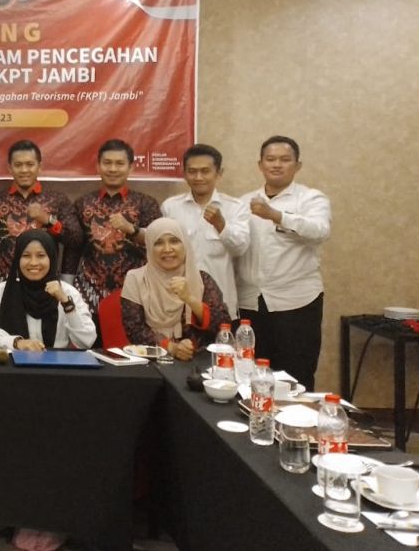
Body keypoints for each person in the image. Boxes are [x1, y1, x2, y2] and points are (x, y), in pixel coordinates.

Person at [235, 136, 331, 389]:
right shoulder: (244, 202)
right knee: (251, 376)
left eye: (285, 159)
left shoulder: (311, 199)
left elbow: (320, 231)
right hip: (250, 302)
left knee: (296, 377)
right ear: (260, 165)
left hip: (297, 303)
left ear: (297, 165)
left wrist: (276, 215)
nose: (277, 164)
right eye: (270, 159)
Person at [0, 140, 81, 314]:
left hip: (48, 288)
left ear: (39, 166)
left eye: (30, 164)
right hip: (5, 287)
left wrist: (49, 220)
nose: (24, 170)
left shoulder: (57, 200)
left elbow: (76, 238)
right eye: (18, 165)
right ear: (10, 168)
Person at [62, 139, 161, 318]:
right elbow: (73, 248)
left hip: (134, 291)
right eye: (107, 163)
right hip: (89, 291)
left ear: (131, 168)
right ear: (98, 167)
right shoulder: (82, 203)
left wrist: (132, 229)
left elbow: (158, 243)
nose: (113, 169)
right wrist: (67, 288)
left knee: (132, 336)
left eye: (119, 163)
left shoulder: (146, 203)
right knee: (90, 335)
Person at [161, 144, 249, 320]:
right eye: (192, 171)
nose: (198, 177)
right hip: (177, 303)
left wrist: (221, 224)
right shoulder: (170, 207)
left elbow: (240, 249)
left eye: (205, 171)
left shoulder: (235, 207)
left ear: (219, 173)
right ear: (184, 174)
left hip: (220, 303)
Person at [121, 218, 230, 360]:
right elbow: (135, 330)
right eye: (158, 243)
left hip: (197, 360)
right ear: (149, 247)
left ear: (185, 244)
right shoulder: (135, 279)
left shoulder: (201, 279)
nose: (167, 249)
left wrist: (190, 299)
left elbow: (223, 326)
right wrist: (171, 347)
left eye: (174, 241)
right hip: (153, 360)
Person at [0, 229, 96, 351]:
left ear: (51, 258)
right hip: (12, 360)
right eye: (26, 256)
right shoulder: (1, 291)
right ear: (17, 259)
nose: (33, 262)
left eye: (41, 256)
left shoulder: (67, 292)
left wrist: (66, 303)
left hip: (57, 362)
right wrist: (16, 343)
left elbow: (87, 341)